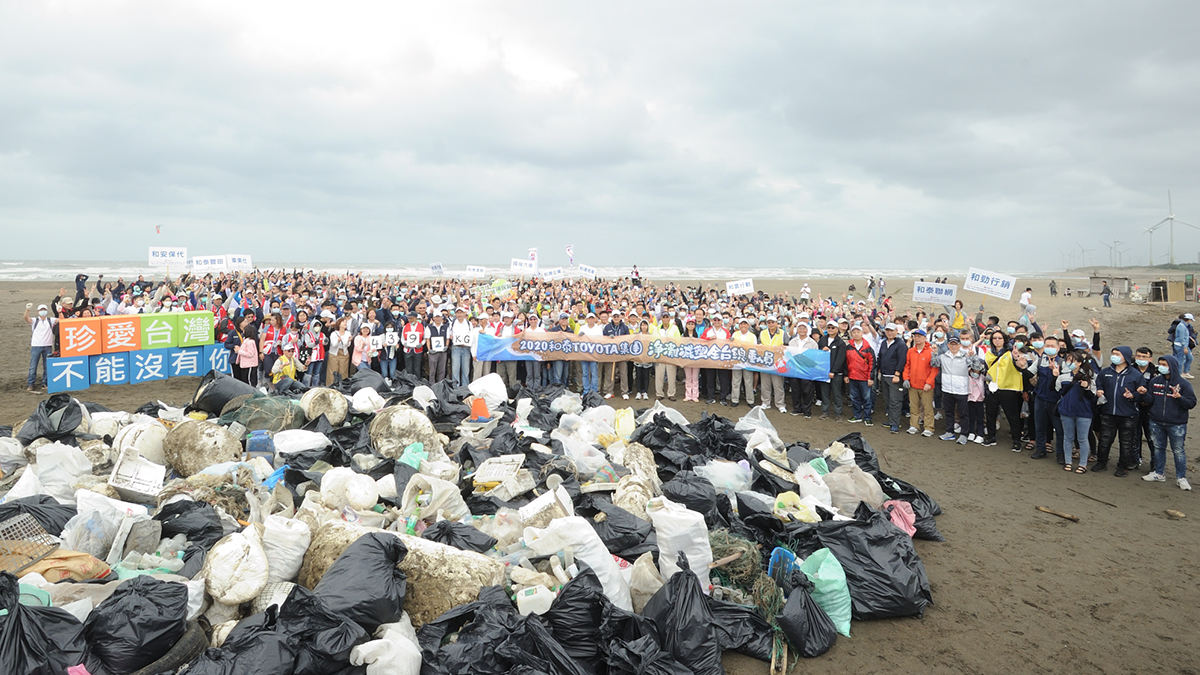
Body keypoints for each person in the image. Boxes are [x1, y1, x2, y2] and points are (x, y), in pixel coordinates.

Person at [1140, 355, 1195, 490]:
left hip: (1176, 423)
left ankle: (1181, 477)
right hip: (1156, 421)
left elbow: (1191, 402)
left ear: (1172, 366)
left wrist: (1180, 398)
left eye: (1164, 364)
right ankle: (1159, 473)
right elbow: (1150, 400)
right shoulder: (1155, 382)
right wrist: (1144, 393)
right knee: (1158, 448)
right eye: (1160, 364)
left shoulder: (1183, 384)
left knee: (1178, 450)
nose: (1161, 367)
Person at [1092, 347, 1141, 476]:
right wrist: (1099, 391)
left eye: (1117, 354)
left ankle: (1123, 466)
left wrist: (1133, 395)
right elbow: (1098, 384)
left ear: (1125, 357)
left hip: (1128, 414)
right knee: (1104, 440)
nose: (1114, 356)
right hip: (1108, 412)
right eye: (1113, 353)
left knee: (1126, 443)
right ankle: (1101, 462)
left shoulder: (1135, 375)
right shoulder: (1106, 372)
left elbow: (1142, 393)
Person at [1056, 351, 1097, 474]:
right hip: (1066, 411)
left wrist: (1086, 387)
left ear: (1079, 363)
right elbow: (1058, 391)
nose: (1069, 362)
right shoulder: (1062, 377)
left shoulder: (1089, 379)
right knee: (1068, 437)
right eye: (1068, 360)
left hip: (1083, 412)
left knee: (1083, 438)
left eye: (1072, 360)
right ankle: (1068, 462)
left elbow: (1092, 397)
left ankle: (1082, 464)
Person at [985, 331, 1027, 451]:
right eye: (994, 338)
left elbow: (1018, 366)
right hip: (992, 387)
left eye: (1000, 338)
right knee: (990, 414)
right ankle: (991, 436)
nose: (997, 340)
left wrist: (1015, 357)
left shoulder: (1010, 352)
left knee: (1012, 416)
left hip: (1008, 388)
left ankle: (1016, 440)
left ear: (1004, 339)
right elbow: (987, 368)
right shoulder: (989, 353)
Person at [935, 336, 971, 444]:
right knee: (949, 412)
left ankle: (964, 434)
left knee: (963, 414)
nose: (953, 346)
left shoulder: (965, 357)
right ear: (948, 345)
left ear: (960, 345)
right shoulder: (943, 357)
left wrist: (972, 357)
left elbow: (977, 368)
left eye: (956, 344)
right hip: (947, 389)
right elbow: (933, 363)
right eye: (951, 344)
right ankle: (949, 432)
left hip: (961, 390)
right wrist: (934, 353)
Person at [904, 329, 938, 436]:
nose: (917, 339)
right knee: (914, 407)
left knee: (927, 408)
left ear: (925, 338)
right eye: (915, 336)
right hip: (913, 384)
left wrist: (929, 382)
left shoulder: (930, 352)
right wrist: (906, 378)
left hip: (926, 385)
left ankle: (929, 427)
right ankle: (914, 425)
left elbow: (934, 369)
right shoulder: (910, 351)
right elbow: (907, 366)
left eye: (919, 336)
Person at [877, 322, 908, 432]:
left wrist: (897, 373)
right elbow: (880, 357)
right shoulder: (884, 343)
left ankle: (895, 423)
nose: (889, 333)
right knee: (888, 399)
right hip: (885, 375)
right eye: (888, 331)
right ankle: (891, 420)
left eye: (892, 331)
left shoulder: (901, 344)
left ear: (896, 331)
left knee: (895, 400)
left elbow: (902, 360)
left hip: (894, 376)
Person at [785, 322, 819, 417]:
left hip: (807, 370)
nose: (802, 330)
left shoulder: (812, 343)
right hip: (795, 369)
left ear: (807, 330)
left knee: (807, 390)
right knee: (796, 390)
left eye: (804, 328)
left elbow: (815, 357)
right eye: (800, 328)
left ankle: (807, 410)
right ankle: (797, 408)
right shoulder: (792, 341)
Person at [845, 325, 875, 426]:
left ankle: (867, 417)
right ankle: (857, 415)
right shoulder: (848, 347)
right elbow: (845, 362)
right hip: (852, 376)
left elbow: (872, 363)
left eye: (858, 332)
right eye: (854, 332)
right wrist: (846, 375)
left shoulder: (868, 348)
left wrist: (870, 377)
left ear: (862, 333)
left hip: (864, 377)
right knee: (854, 398)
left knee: (867, 398)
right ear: (851, 334)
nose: (856, 334)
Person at [23, 303, 56, 393]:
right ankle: (31, 384)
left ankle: (44, 383)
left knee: (46, 366)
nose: (43, 311)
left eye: (44, 310)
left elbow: (61, 320)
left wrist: (60, 312)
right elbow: (26, 319)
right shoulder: (35, 320)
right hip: (36, 345)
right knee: (33, 366)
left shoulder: (50, 320)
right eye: (41, 310)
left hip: (48, 345)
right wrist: (27, 310)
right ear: (38, 312)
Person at [819, 320, 847, 421]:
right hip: (824, 372)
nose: (830, 329)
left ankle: (838, 413)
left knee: (837, 394)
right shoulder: (822, 340)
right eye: (829, 328)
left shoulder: (840, 343)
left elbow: (840, 359)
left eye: (832, 328)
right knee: (825, 393)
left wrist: (833, 371)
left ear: (837, 329)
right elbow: (818, 354)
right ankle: (825, 412)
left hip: (836, 373)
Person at [601, 310, 631, 400]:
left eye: (618, 316)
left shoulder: (625, 327)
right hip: (611, 354)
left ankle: (624, 392)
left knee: (623, 373)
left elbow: (628, 339)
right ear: (612, 317)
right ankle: (609, 391)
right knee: (610, 373)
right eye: (614, 316)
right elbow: (603, 339)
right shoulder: (607, 327)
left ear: (620, 317)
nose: (616, 318)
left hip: (622, 354)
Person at [701, 315, 731, 405]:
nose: (717, 321)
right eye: (715, 320)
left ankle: (723, 398)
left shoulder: (726, 331)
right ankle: (711, 397)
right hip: (710, 358)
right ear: (712, 321)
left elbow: (730, 343)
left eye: (718, 320)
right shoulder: (708, 331)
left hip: (722, 358)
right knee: (710, 378)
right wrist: (708, 339)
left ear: (722, 321)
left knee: (723, 379)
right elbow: (701, 341)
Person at [758, 315, 786, 413]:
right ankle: (766, 402)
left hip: (778, 363)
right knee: (765, 384)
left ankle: (780, 404)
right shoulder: (763, 333)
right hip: (765, 362)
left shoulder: (782, 333)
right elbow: (758, 345)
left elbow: (787, 345)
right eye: (769, 322)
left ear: (776, 323)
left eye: (772, 322)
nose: (771, 324)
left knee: (778, 385)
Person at [730, 318, 757, 407]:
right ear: (739, 325)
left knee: (748, 381)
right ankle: (735, 399)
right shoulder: (735, 334)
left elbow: (754, 348)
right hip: (737, 361)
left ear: (748, 325)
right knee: (736, 381)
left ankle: (750, 400)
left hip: (747, 361)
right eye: (741, 324)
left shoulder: (752, 336)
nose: (743, 326)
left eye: (745, 324)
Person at [576, 312, 605, 395]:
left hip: (594, 353)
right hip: (584, 353)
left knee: (594, 373)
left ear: (595, 319)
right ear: (587, 319)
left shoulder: (598, 328)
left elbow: (600, 340)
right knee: (585, 373)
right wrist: (580, 336)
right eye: (589, 318)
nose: (591, 320)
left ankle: (594, 391)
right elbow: (578, 340)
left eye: (592, 318)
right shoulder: (583, 328)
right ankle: (586, 390)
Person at [655, 313, 681, 401]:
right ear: (661, 318)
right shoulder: (657, 329)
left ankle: (671, 393)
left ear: (669, 318)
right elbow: (653, 340)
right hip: (660, 354)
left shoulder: (674, 328)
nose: (665, 319)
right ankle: (659, 393)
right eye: (664, 317)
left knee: (671, 375)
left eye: (667, 317)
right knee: (659, 375)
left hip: (671, 353)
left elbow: (678, 339)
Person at [451, 307, 474, 387]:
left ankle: (465, 387)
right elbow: (449, 333)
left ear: (464, 314)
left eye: (461, 313)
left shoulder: (469, 324)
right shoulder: (453, 323)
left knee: (466, 369)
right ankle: (455, 388)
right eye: (458, 313)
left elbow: (471, 335)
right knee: (455, 369)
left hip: (466, 348)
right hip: (456, 347)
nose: (459, 314)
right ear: (456, 314)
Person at [326, 317, 352, 386]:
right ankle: (331, 385)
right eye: (343, 322)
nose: (345, 323)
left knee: (343, 371)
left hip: (344, 353)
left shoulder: (348, 333)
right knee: (333, 371)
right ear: (339, 324)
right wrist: (338, 341)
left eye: (345, 322)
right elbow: (333, 345)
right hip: (334, 353)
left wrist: (349, 341)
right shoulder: (334, 333)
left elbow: (348, 345)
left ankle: (343, 386)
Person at [426, 311, 450, 383]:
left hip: (442, 351)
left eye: (439, 317)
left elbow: (447, 338)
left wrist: (446, 346)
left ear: (442, 318)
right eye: (436, 317)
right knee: (432, 370)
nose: (438, 319)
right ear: (433, 318)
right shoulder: (429, 327)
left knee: (442, 370)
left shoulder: (446, 327)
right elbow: (427, 339)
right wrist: (429, 349)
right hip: (433, 352)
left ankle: (441, 384)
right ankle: (432, 385)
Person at [682, 317, 701, 402]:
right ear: (686, 325)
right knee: (688, 377)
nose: (690, 325)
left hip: (696, 359)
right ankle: (688, 395)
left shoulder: (698, 335)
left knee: (695, 377)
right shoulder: (683, 336)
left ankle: (695, 395)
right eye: (689, 324)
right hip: (686, 359)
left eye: (692, 324)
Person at [402, 313, 426, 379]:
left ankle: (417, 382)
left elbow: (425, 338)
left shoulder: (421, 327)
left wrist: (421, 344)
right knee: (408, 368)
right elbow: (402, 338)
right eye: (408, 318)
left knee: (417, 368)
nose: (409, 320)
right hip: (408, 350)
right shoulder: (405, 326)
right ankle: (409, 382)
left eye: (411, 318)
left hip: (418, 350)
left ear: (415, 318)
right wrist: (404, 343)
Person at [1172, 313, 1194, 379]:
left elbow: (1183, 335)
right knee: (1180, 360)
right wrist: (1185, 347)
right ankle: (1178, 374)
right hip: (1181, 346)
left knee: (1190, 358)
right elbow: (1181, 338)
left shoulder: (1183, 325)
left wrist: (1190, 338)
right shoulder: (1181, 326)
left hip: (1183, 345)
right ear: (1188, 319)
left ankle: (1185, 372)